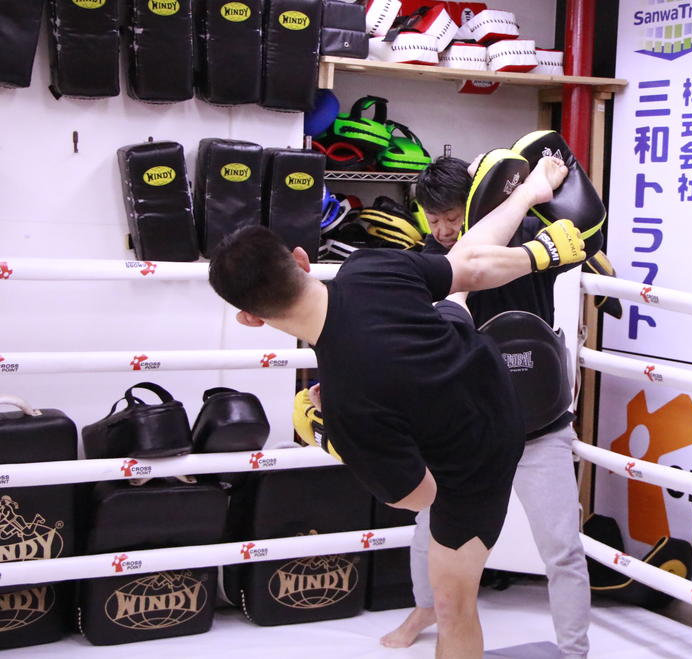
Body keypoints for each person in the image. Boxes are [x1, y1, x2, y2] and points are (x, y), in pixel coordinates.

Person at [208, 155, 580, 659]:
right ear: (300, 259)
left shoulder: (348, 402)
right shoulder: (371, 266)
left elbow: (419, 495)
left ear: (250, 318)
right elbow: (469, 265)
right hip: (493, 385)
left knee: (454, 609)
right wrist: (540, 249)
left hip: (473, 469)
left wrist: (330, 438)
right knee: (455, 294)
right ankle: (530, 192)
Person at [378, 156, 592, 658]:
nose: (443, 230)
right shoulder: (432, 262)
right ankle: (426, 609)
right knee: (429, 528)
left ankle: (574, 651)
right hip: (468, 429)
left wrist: (536, 169)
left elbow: (588, 236)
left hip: (540, 422)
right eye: (433, 219)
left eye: (453, 217)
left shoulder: (530, 238)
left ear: (473, 205)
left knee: (563, 547)